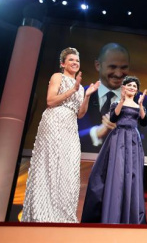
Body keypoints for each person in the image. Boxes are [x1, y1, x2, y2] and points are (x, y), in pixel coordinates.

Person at [22, 47, 99, 223]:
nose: (75, 63)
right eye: (71, 60)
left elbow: (80, 114)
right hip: (54, 120)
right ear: (63, 63)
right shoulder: (58, 77)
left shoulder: (80, 87)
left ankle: (62, 216)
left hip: (70, 125)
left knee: (68, 167)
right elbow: (50, 101)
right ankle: (41, 214)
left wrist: (86, 95)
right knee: (50, 164)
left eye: (77, 61)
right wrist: (73, 89)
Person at [81, 76, 147, 224]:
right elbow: (113, 118)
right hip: (118, 138)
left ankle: (131, 215)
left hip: (133, 140)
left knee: (132, 173)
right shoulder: (117, 103)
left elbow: (144, 121)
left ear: (137, 90)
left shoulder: (139, 104)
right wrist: (123, 100)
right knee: (116, 172)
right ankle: (112, 213)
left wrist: (141, 104)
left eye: (134, 86)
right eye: (129, 85)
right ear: (124, 88)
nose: (132, 88)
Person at [78, 42, 147, 153]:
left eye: (124, 68)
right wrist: (97, 132)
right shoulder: (80, 95)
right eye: (112, 67)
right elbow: (66, 137)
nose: (118, 74)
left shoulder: (146, 102)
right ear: (98, 65)